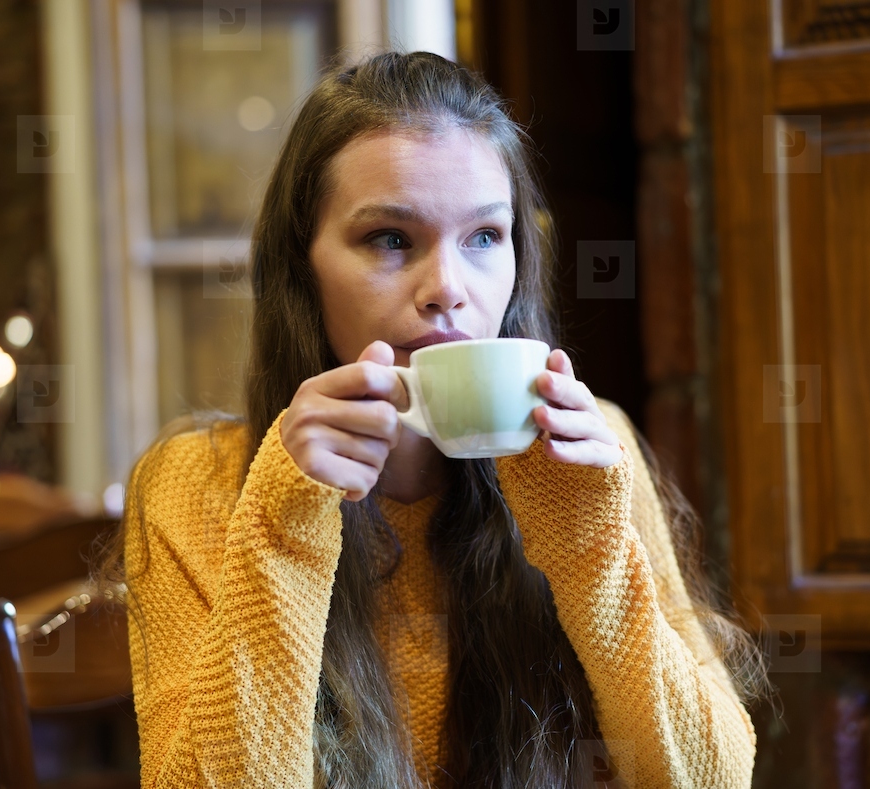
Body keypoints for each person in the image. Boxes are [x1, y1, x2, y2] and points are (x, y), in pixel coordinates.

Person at [105, 50, 766, 788]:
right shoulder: (198, 482)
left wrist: (591, 554)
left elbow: (710, 778)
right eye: (390, 238)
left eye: (484, 236)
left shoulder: (588, 446)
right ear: (301, 266)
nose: (448, 288)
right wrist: (285, 525)